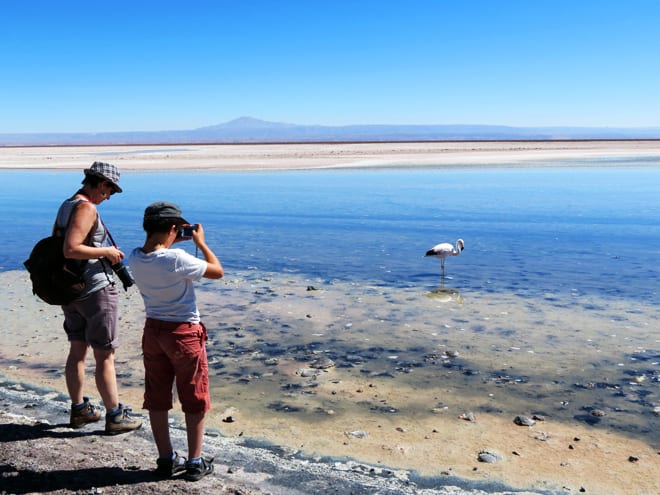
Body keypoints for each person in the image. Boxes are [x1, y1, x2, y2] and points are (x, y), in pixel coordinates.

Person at [127, 201, 224, 481]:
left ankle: (166, 459)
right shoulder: (177, 258)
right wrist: (201, 243)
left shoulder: (135, 257)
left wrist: (171, 238)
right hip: (183, 333)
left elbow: (157, 253)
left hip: (153, 331)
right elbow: (217, 271)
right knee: (194, 396)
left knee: (157, 397)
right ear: (173, 228)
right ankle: (195, 461)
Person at [57, 161, 142, 434]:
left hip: (70, 290)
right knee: (105, 355)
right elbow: (71, 249)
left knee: (77, 350)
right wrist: (106, 252)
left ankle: (80, 409)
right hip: (94, 290)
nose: (108, 197)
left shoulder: (66, 204)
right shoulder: (85, 207)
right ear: (101, 184)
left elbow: (61, 247)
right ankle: (115, 415)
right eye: (110, 192)